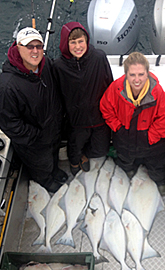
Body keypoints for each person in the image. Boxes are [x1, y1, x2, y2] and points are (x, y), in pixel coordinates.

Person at [0, 27, 67, 193]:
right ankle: (46, 181)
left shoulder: (45, 64)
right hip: (34, 144)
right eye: (29, 46)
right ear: (18, 47)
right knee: (42, 165)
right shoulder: (6, 87)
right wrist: (36, 136)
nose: (35, 51)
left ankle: (54, 171)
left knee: (53, 157)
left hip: (53, 131)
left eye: (38, 46)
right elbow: (8, 123)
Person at [100, 52, 165, 196]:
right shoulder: (116, 88)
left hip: (150, 139)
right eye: (132, 75)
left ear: (147, 73)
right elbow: (106, 108)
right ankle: (129, 170)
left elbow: (164, 119)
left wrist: (149, 137)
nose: (137, 79)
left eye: (141, 74)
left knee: (157, 163)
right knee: (125, 159)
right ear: (126, 74)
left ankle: (159, 180)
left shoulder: (157, 92)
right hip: (125, 134)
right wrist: (118, 128)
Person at [53, 22, 113, 176]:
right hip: (76, 120)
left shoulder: (99, 57)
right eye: (72, 42)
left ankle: (86, 155)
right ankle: (75, 160)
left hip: (99, 117)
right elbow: (57, 94)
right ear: (66, 44)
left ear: (87, 41)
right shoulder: (58, 66)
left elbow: (110, 84)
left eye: (81, 41)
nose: (77, 46)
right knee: (74, 147)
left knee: (101, 148)